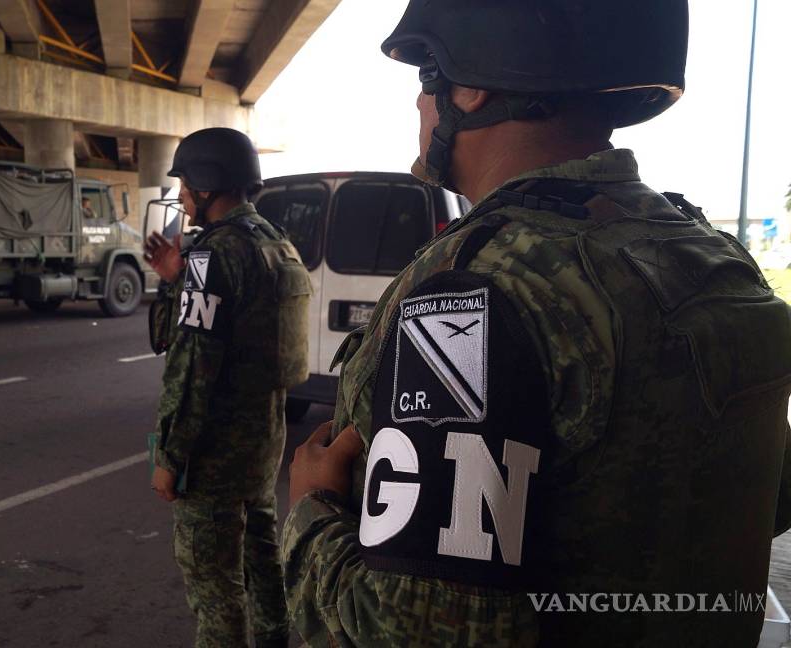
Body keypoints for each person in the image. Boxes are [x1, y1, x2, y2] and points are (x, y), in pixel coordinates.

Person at [283, 1, 791, 646]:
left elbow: (417, 632)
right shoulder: (713, 258)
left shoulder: (483, 286)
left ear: (470, 87)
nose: (418, 104)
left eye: (425, 76)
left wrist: (311, 513)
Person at [143, 127, 311, 648]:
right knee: (264, 569)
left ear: (208, 184)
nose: (183, 197)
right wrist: (177, 278)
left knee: (216, 591)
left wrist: (170, 455)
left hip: (214, 454)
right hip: (262, 443)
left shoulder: (212, 257)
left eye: (186, 185)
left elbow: (193, 366)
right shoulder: (273, 243)